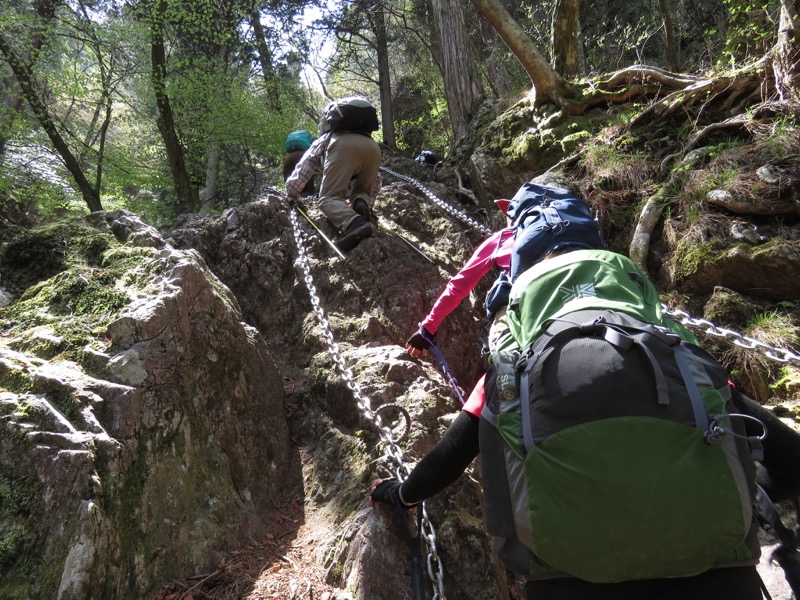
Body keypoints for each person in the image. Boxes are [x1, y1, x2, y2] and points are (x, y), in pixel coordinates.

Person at [372, 253, 779, 600]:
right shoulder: (683, 359)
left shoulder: (512, 374)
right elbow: (787, 455)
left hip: (564, 577)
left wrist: (400, 494)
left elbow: (448, 458)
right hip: (717, 575)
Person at [286, 100, 382, 252]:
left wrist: (292, 191)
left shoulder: (329, 136)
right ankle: (360, 205)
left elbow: (308, 162)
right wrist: (368, 204)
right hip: (374, 149)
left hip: (343, 147)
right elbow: (376, 180)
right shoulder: (368, 138)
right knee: (361, 192)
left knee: (328, 199)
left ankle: (355, 224)